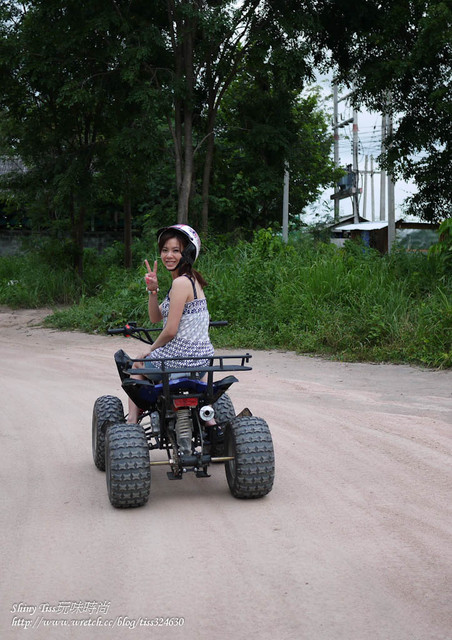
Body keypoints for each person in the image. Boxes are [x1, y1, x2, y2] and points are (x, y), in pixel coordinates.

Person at [127, 224, 214, 423]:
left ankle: (132, 421)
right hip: (201, 356)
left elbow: (171, 330)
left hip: (181, 356)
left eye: (176, 250)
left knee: (136, 364)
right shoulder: (191, 280)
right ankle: (210, 422)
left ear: (188, 252)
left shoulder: (181, 283)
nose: (169, 255)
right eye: (165, 250)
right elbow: (156, 318)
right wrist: (153, 291)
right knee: (199, 380)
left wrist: (150, 349)